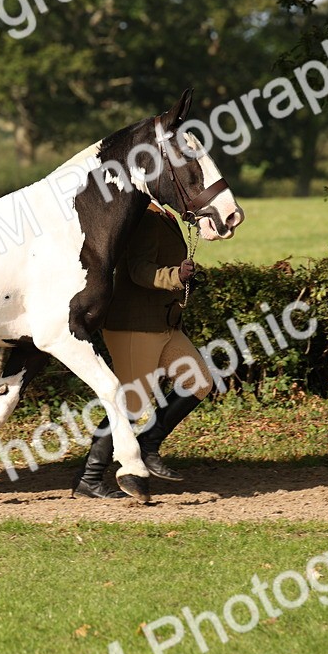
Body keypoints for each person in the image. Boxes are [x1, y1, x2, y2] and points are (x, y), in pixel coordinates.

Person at [72, 199, 217, 499]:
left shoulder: (162, 214)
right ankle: (89, 477)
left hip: (164, 323)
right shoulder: (145, 217)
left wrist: (181, 275)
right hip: (135, 325)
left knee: (199, 381)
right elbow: (139, 270)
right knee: (131, 403)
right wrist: (174, 276)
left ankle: (149, 444)